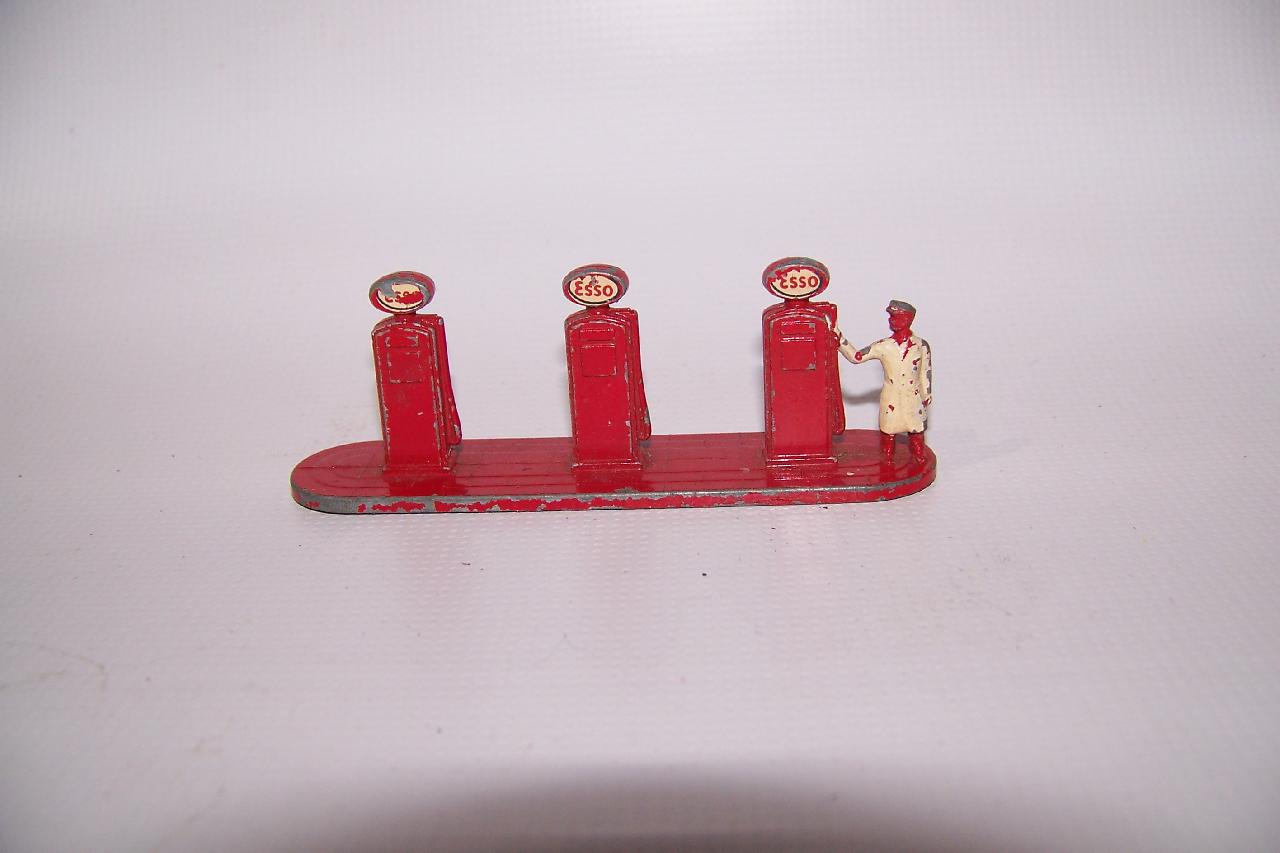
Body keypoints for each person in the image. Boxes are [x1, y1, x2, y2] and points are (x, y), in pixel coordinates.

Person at [836, 300, 932, 461]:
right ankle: (887, 459)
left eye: (897, 317)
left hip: (913, 396)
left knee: (916, 429)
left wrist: (926, 393)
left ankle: (918, 457)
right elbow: (857, 357)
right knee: (888, 430)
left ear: (908, 319)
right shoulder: (884, 346)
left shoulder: (921, 345)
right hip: (891, 396)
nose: (892, 320)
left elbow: (925, 371)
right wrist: (838, 338)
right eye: (891, 317)